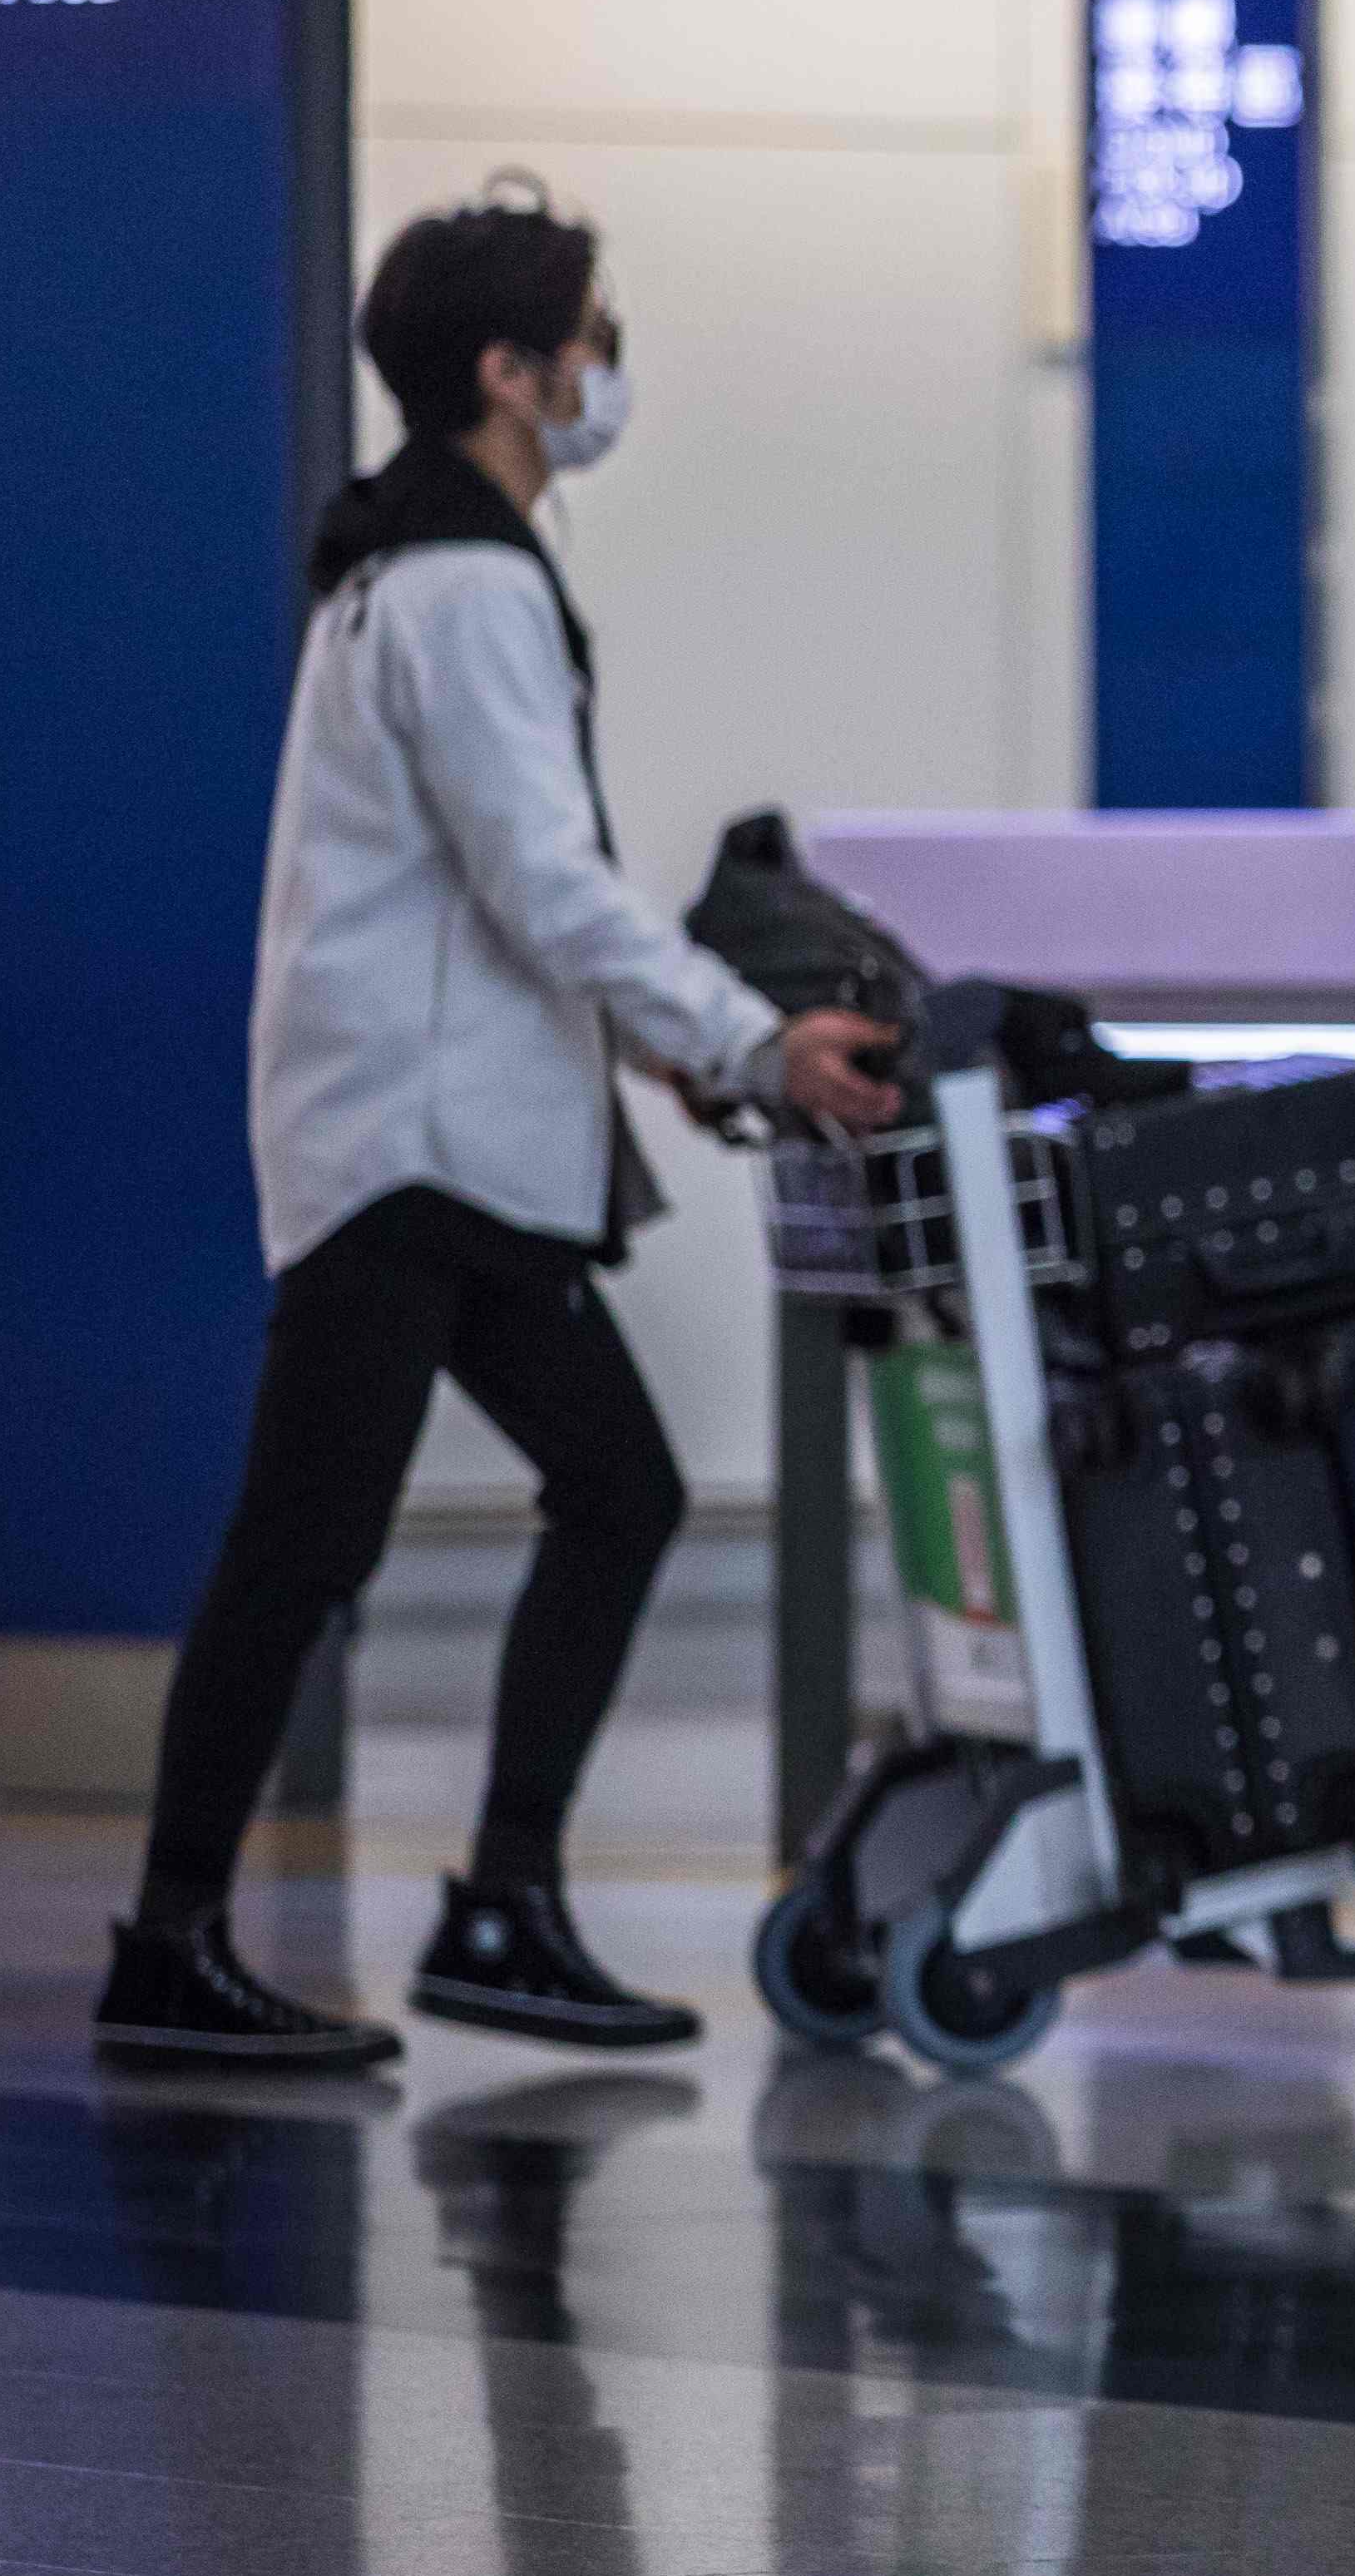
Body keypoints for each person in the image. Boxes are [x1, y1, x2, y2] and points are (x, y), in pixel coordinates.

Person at [94, 184, 903, 2073]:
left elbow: (498, 906)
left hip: (448, 1145)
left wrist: (669, 1055)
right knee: (307, 1545)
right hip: (411, 1155)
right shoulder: (460, 589)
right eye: (588, 342)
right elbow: (546, 885)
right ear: (509, 374)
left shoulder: (438, 572)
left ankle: (499, 1913)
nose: (608, 373)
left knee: (610, 1491)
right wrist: (758, 1042)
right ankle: (178, 1945)